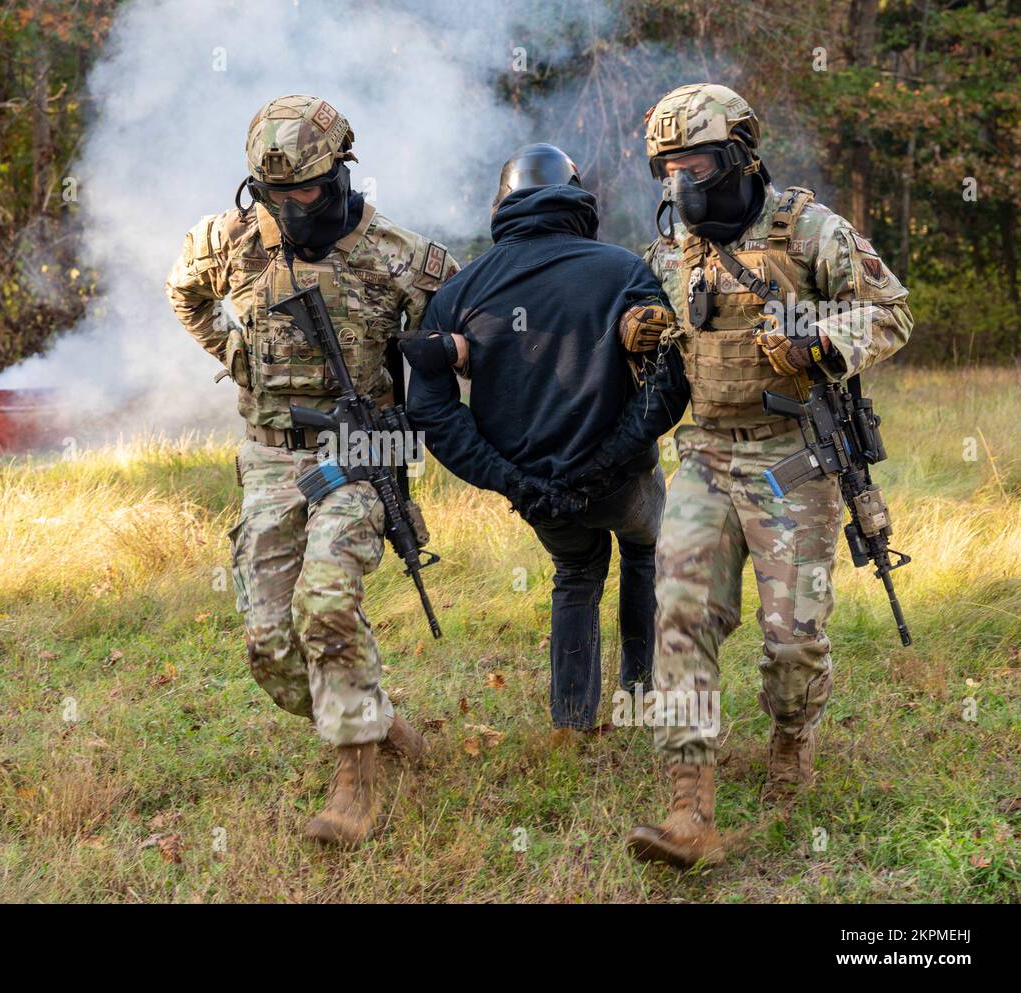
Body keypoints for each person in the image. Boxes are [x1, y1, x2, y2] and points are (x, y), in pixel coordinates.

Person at [574, 83, 912, 867]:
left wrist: (818, 340)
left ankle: (792, 737)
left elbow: (891, 309)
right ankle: (690, 802)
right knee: (681, 614)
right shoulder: (671, 252)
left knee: (792, 639)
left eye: (694, 163)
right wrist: (642, 333)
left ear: (737, 156)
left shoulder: (806, 228)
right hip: (706, 456)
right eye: (667, 169)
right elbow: (665, 353)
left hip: (794, 457)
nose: (681, 183)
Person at [165, 94, 458, 847]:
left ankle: (354, 779)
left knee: (326, 602)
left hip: (359, 456)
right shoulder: (231, 239)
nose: (291, 206)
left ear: (340, 174)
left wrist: (419, 391)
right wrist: (234, 356)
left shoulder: (397, 252)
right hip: (268, 455)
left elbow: (460, 331)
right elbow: (183, 291)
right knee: (269, 642)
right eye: (275, 194)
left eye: (305, 190)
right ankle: (377, 718)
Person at [402, 143, 677, 735]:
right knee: (644, 551)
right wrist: (608, 460)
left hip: (535, 492)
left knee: (576, 574)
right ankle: (639, 698)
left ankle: (571, 726)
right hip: (622, 480)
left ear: (503, 203)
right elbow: (669, 385)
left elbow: (431, 411)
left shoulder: (458, 292)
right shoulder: (624, 270)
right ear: (574, 195)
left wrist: (512, 480)